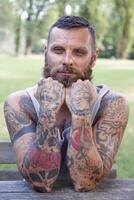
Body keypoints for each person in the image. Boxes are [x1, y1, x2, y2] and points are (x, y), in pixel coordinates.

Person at [4, 16, 129, 192]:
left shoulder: (113, 104)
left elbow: (85, 182)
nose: (67, 61)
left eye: (79, 52)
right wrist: (48, 109)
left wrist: (81, 111)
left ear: (93, 58)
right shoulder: (18, 103)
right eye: (58, 50)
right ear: (45, 53)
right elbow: (41, 182)